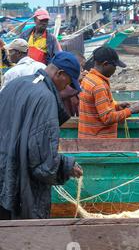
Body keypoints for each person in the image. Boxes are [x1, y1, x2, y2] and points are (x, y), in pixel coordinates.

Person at [0, 52, 84, 219]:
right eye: (68, 83)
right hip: (16, 182)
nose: (68, 88)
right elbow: (40, 160)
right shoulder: (45, 98)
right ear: (59, 74)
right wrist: (66, 166)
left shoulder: (15, 84)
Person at [78, 46, 139, 138]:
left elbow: (97, 109)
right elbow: (107, 118)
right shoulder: (99, 85)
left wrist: (116, 107)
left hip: (87, 137)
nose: (115, 69)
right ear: (105, 64)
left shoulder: (88, 78)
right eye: (114, 66)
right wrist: (130, 110)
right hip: (99, 142)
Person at [60, 52, 87, 117]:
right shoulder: (63, 78)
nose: (82, 70)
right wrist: (77, 80)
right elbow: (62, 95)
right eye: (81, 66)